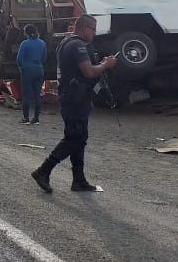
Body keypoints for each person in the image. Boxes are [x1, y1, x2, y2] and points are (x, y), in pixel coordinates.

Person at [31, 15, 117, 193]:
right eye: (92, 29)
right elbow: (89, 72)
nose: (94, 33)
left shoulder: (67, 42)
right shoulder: (77, 45)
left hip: (77, 98)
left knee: (80, 138)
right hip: (74, 99)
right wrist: (105, 65)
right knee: (74, 138)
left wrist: (100, 64)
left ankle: (79, 180)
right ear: (84, 28)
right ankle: (43, 170)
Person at [17, 24, 47, 125]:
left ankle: (26, 117)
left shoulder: (24, 44)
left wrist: (21, 67)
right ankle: (36, 118)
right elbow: (44, 58)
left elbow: (19, 59)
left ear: (26, 33)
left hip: (27, 71)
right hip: (39, 70)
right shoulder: (42, 43)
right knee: (37, 94)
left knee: (26, 95)